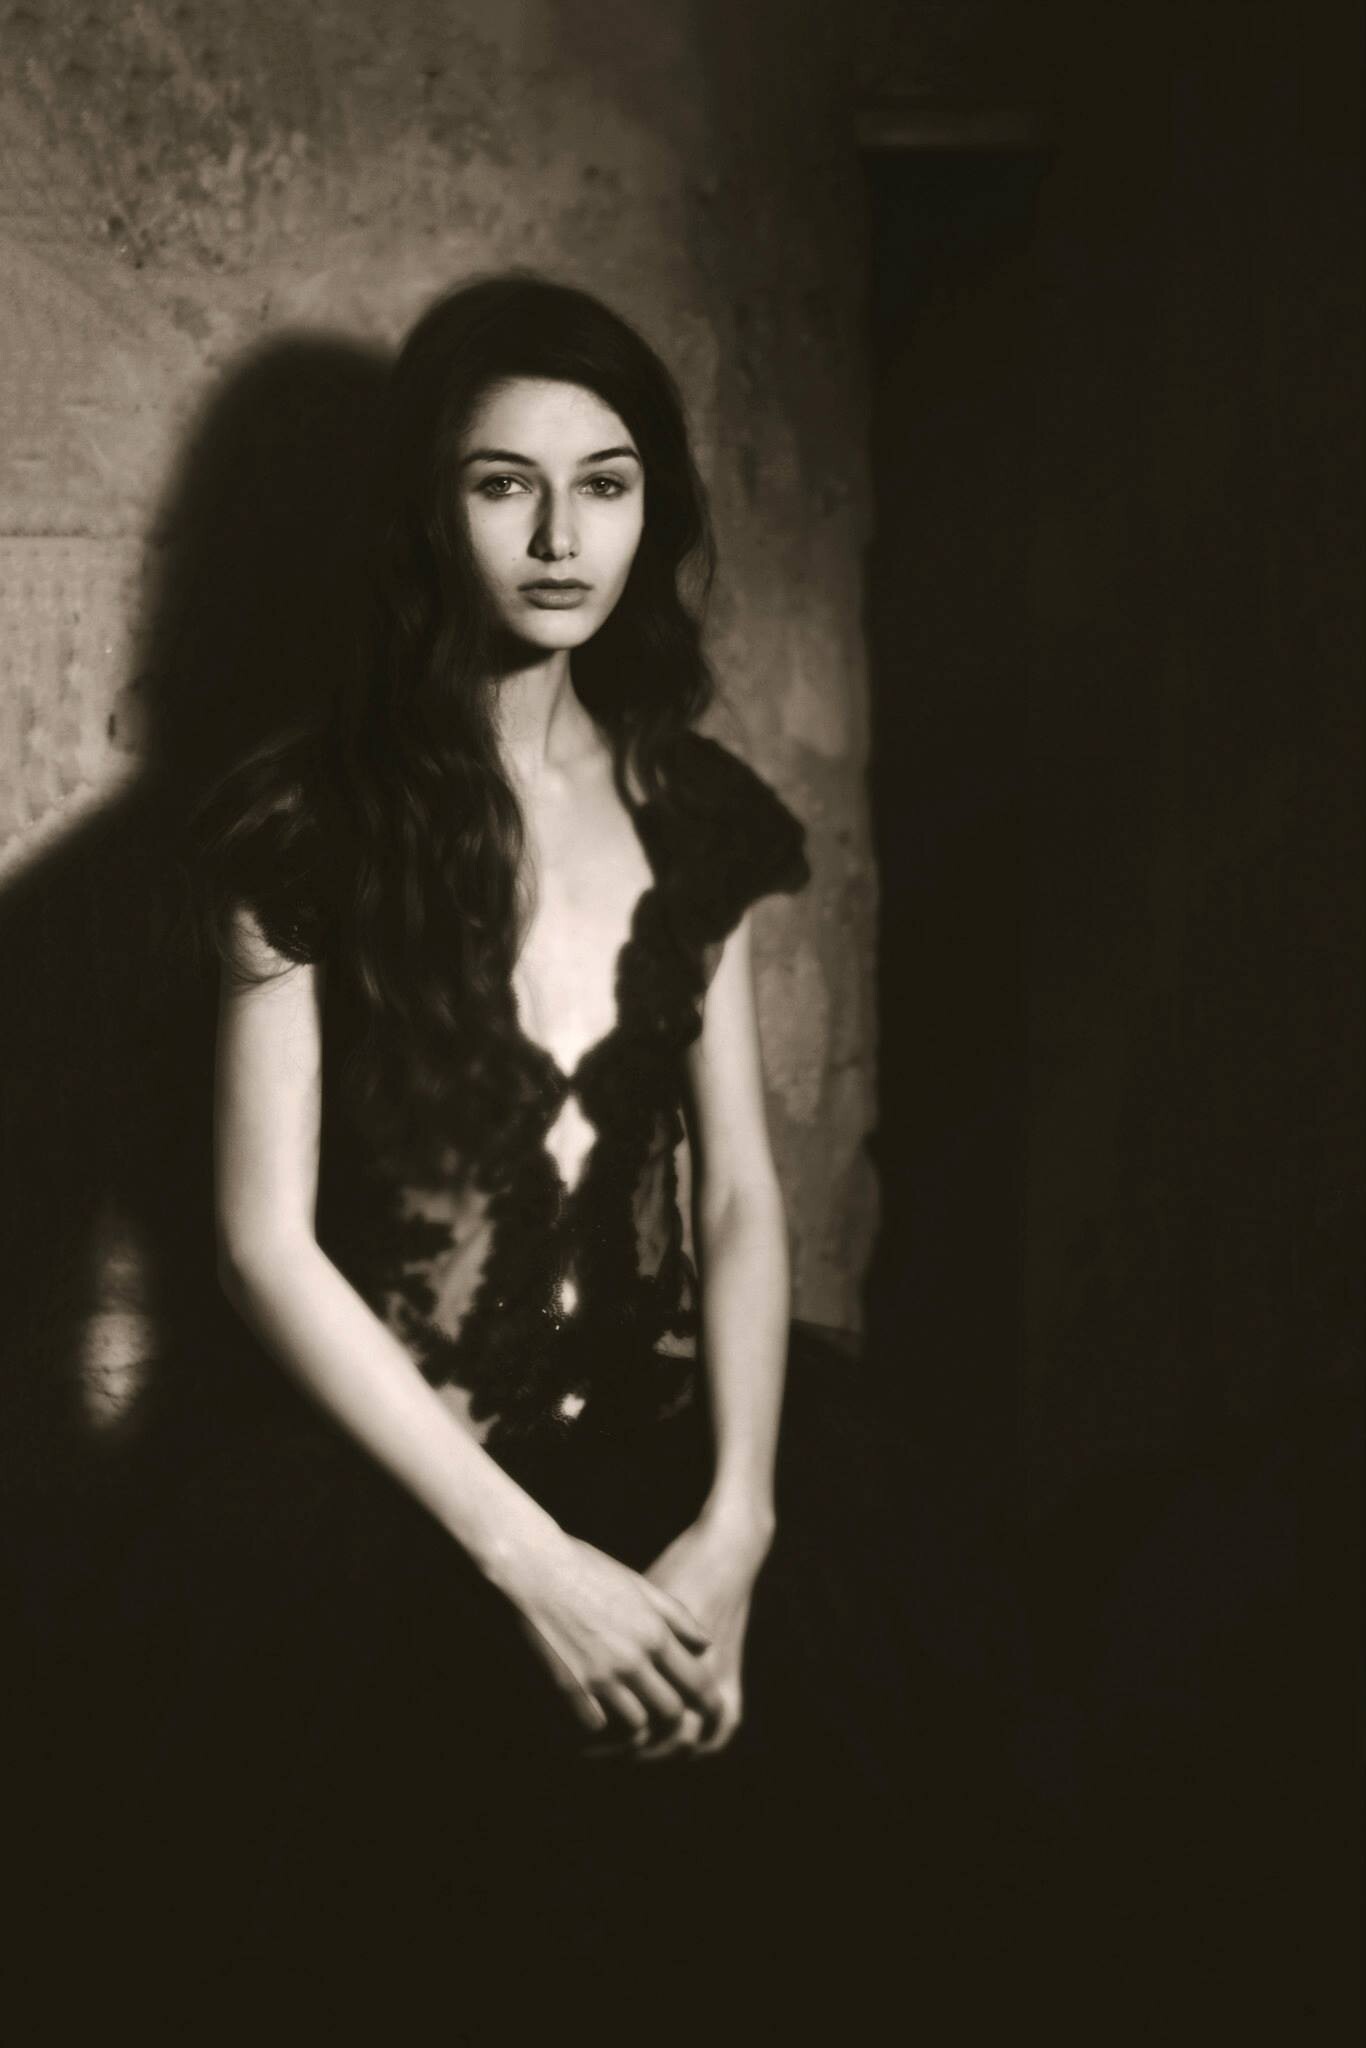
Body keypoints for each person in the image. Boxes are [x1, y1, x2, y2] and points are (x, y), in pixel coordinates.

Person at [90, 276, 910, 2024]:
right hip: (390, 1507)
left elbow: (738, 1193)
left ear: (650, 510)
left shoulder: (692, 810)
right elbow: (258, 1244)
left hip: (672, 1462)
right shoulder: (301, 820)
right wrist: (532, 1567)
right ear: (427, 510)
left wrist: (738, 1529)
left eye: (604, 485)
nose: (558, 538)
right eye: (501, 485)